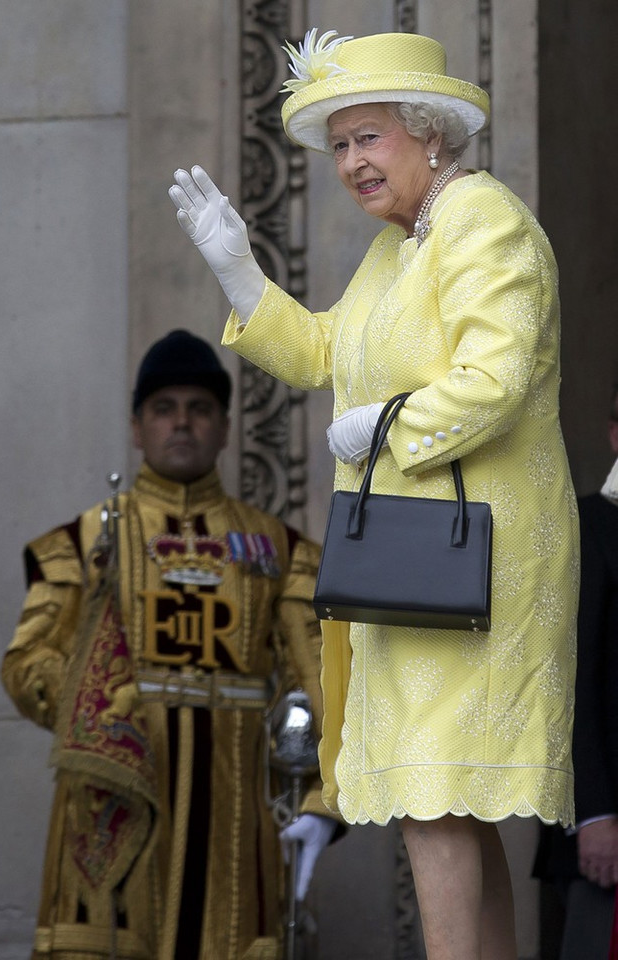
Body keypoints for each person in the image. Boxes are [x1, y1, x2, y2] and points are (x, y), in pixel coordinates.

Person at [168, 29, 580, 960]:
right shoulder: (397, 251)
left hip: (474, 564)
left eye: (369, 138)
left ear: (430, 134)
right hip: (412, 568)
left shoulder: (481, 217)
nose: (352, 161)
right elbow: (323, 353)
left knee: (434, 801)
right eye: (339, 143)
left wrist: (387, 425)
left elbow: (499, 373)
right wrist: (239, 271)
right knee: (449, 810)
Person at [1, 329, 337, 960]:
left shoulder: (283, 552)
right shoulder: (79, 545)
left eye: (199, 408)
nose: (182, 423)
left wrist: (323, 800)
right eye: (164, 408)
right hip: (114, 804)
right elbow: (25, 662)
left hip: (238, 816)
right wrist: (101, 712)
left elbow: (319, 679)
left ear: (225, 428)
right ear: (137, 426)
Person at [533, 382, 618, 959]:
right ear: (616, 435)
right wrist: (593, 812)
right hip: (604, 827)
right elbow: (568, 677)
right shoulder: (586, 524)